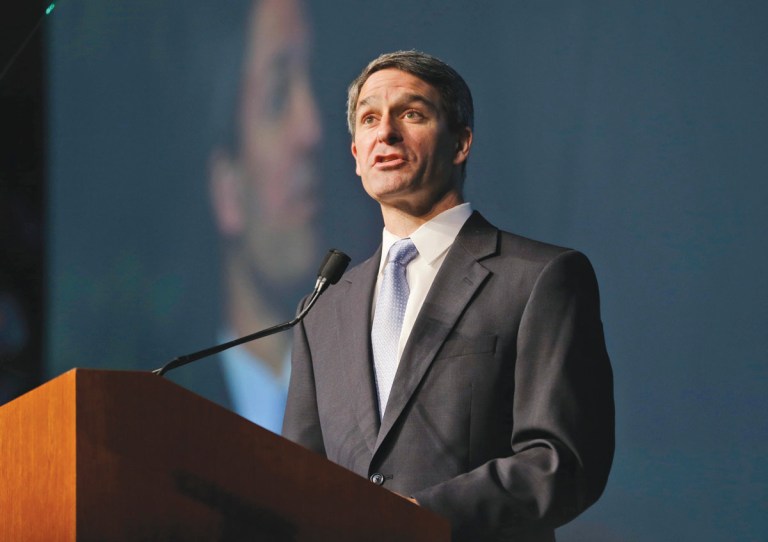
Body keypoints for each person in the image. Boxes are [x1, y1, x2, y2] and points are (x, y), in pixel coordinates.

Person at [282, 50, 614, 541]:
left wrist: (422, 514)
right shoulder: (323, 309)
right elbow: (297, 483)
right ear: (356, 155)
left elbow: (561, 460)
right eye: (369, 118)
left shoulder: (540, 278)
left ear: (460, 142)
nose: (386, 132)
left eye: (411, 114)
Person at [175, 0, 321, 434]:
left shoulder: (381, 391)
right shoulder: (160, 420)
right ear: (227, 189)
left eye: (316, 81)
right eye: (278, 98)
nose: (313, 129)